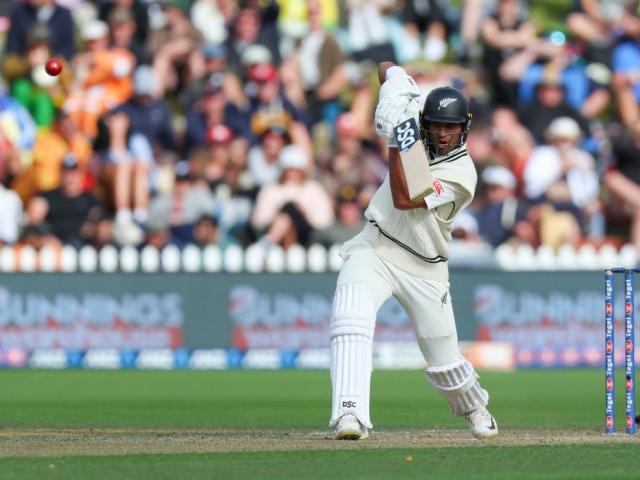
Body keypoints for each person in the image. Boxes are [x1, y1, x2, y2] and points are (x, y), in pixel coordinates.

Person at [329, 61, 498, 441]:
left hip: (425, 268)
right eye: (436, 125)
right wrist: (394, 80)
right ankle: (349, 414)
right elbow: (385, 66)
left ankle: (475, 406)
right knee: (350, 317)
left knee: (444, 360)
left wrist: (396, 136)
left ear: (464, 130)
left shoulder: (463, 174)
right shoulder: (411, 131)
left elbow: (406, 198)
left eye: (450, 128)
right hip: (375, 246)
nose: (441, 134)